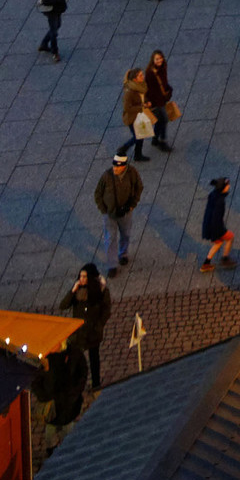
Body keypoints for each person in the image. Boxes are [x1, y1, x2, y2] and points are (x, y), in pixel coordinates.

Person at [62, 263, 111, 391]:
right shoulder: (77, 291)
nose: (81, 279)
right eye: (81, 276)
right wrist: (72, 291)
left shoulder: (101, 291)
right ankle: (74, 384)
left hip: (92, 332)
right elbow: (63, 305)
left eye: (84, 276)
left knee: (94, 359)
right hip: (78, 334)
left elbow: (106, 311)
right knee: (74, 360)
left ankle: (96, 384)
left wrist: (99, 326)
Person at [94, 149, 142, 275]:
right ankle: (112, 265)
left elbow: (139, 188)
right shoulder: (106, 176)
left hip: (125, 212)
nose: (115, 169)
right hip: (109, 213)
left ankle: (123, 254)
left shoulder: (132, 173)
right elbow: (98, 193)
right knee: (110, 238)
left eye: (117, 167)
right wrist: (103, 210)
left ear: (124, 167)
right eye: (114, 166)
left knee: (125, 234)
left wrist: (132, 205)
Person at [200, 177, 234, 271]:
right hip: (215, 228)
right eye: (227, 185)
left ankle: (206, 264)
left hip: (208, 225)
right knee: (230, 237)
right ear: (223, 188)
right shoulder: (220, 201)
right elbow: (216, 219)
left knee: (218, 243)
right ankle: (225, 259)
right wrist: (219, 232)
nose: (229, 186)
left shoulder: (213, 194)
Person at [144, 50, 174, 150]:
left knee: (159, 120)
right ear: (153, 60)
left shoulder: (163, 67)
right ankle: (162, 141)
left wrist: (168, 90)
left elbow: (164, 82)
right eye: (157, 59)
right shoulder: (150, 73)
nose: (159, 60)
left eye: (161, 58)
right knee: (164, 119)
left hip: (161, 99)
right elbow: (148, 89)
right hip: (156, 102)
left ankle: (155, 139)